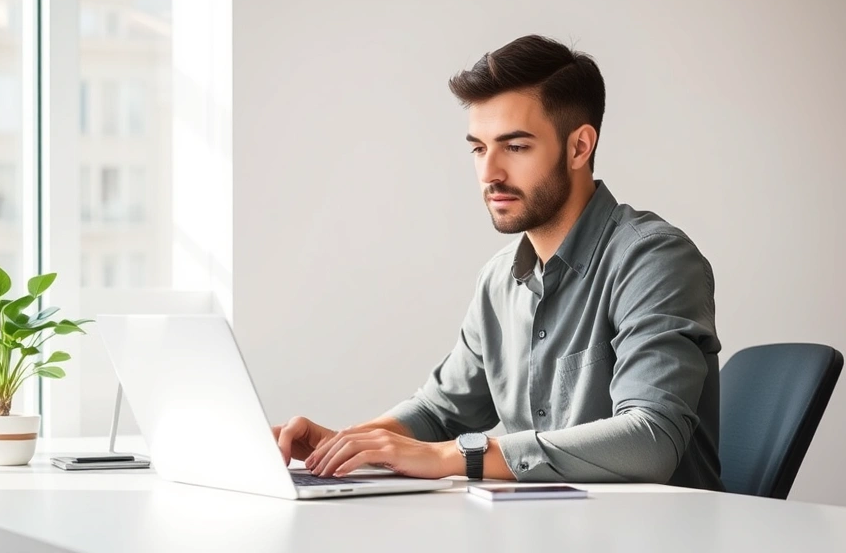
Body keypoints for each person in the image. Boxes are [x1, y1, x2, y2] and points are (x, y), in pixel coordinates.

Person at [273, 34, 723, 490]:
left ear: (579, 147)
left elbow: (651, 439)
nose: (489, 173)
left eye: (515, 146)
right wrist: (346, 444)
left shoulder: (654, 261)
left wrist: (458, 456)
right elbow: (438, 411)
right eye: (478, 148)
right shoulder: (499, 280)